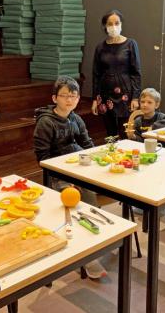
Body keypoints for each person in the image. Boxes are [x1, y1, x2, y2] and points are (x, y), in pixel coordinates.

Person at [34, 76, 106, 279]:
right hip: (57, 176)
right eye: (65, 96)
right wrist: (68, 170)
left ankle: (89, 247)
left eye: (73, 96)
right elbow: (43, 158)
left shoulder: (76, 118)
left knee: (92, 204)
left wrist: (96, 160)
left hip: (79, 172)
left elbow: (87, 144)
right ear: (54, 97)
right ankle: (87, 258)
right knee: (80, 208)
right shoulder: (46, 122)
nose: (69, 100)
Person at [91, 9, 142, 139]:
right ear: (105, 26)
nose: (114, 26)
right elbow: (96, 74)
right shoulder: (100, 47)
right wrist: (95, 99)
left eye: (117, 23)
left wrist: (135, 97)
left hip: (125, 94)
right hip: (105, 94)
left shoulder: (131, 44)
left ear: (121, 24)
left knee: (125, 131)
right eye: (110, 24)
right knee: (110, 133)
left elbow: (136, 72)